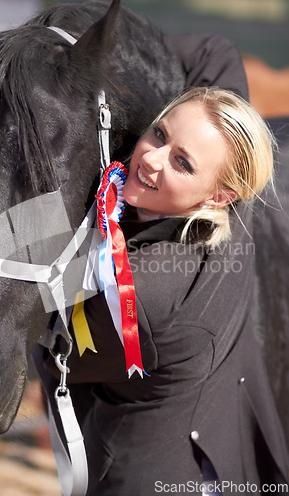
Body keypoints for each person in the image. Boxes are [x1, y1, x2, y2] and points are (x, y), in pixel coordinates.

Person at [34, 86, 289, 496]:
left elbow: (57, 359)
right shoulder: (237, 206)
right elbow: (217, 51)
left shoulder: (142, 294)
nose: (150, 158)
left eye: (182, 163)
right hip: (226, 446)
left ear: (219, 195)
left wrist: (56, 205)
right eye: (158, 133)